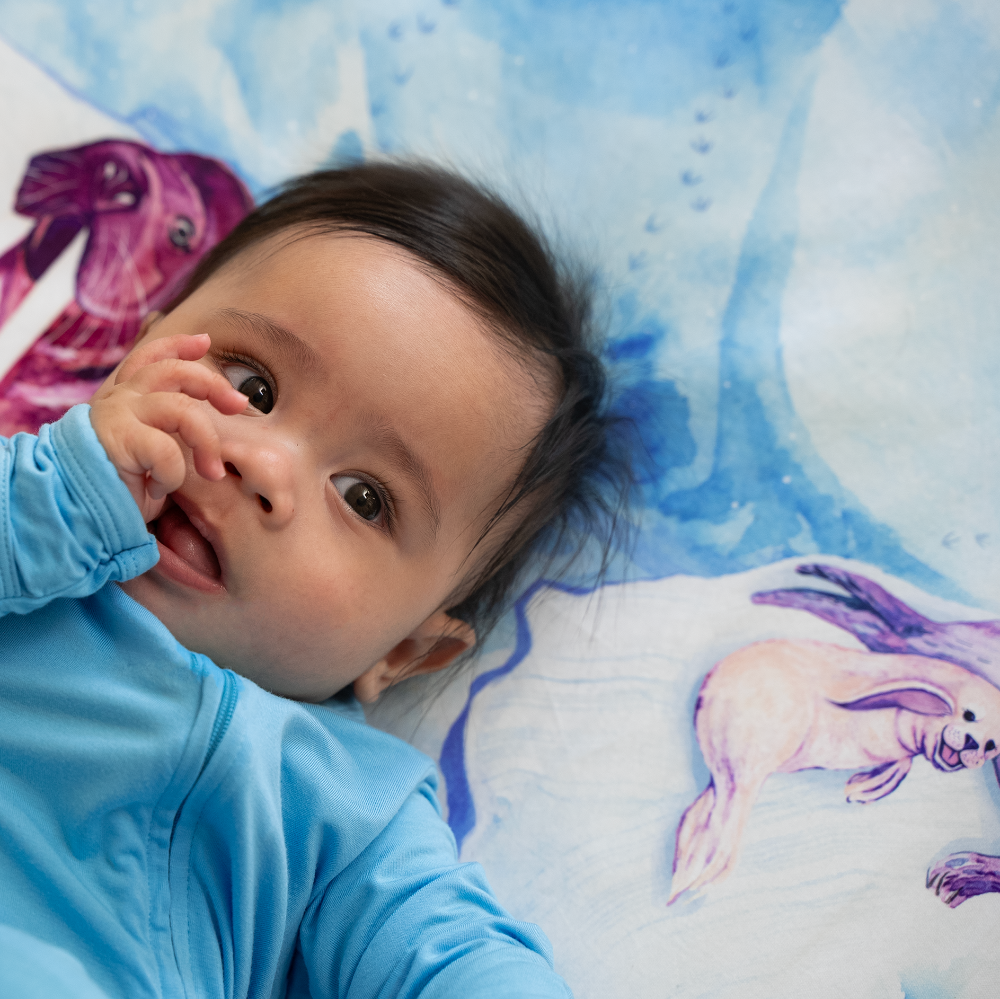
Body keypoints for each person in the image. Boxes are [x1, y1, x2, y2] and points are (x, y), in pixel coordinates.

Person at [0, 163, 628, 998]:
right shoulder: (27, 518)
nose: (258, 462)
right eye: (250, 384)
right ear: (133, 354)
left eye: (365, 498)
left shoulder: (346, 810)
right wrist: (63, 491)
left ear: (405, 650)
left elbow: (454, 962)